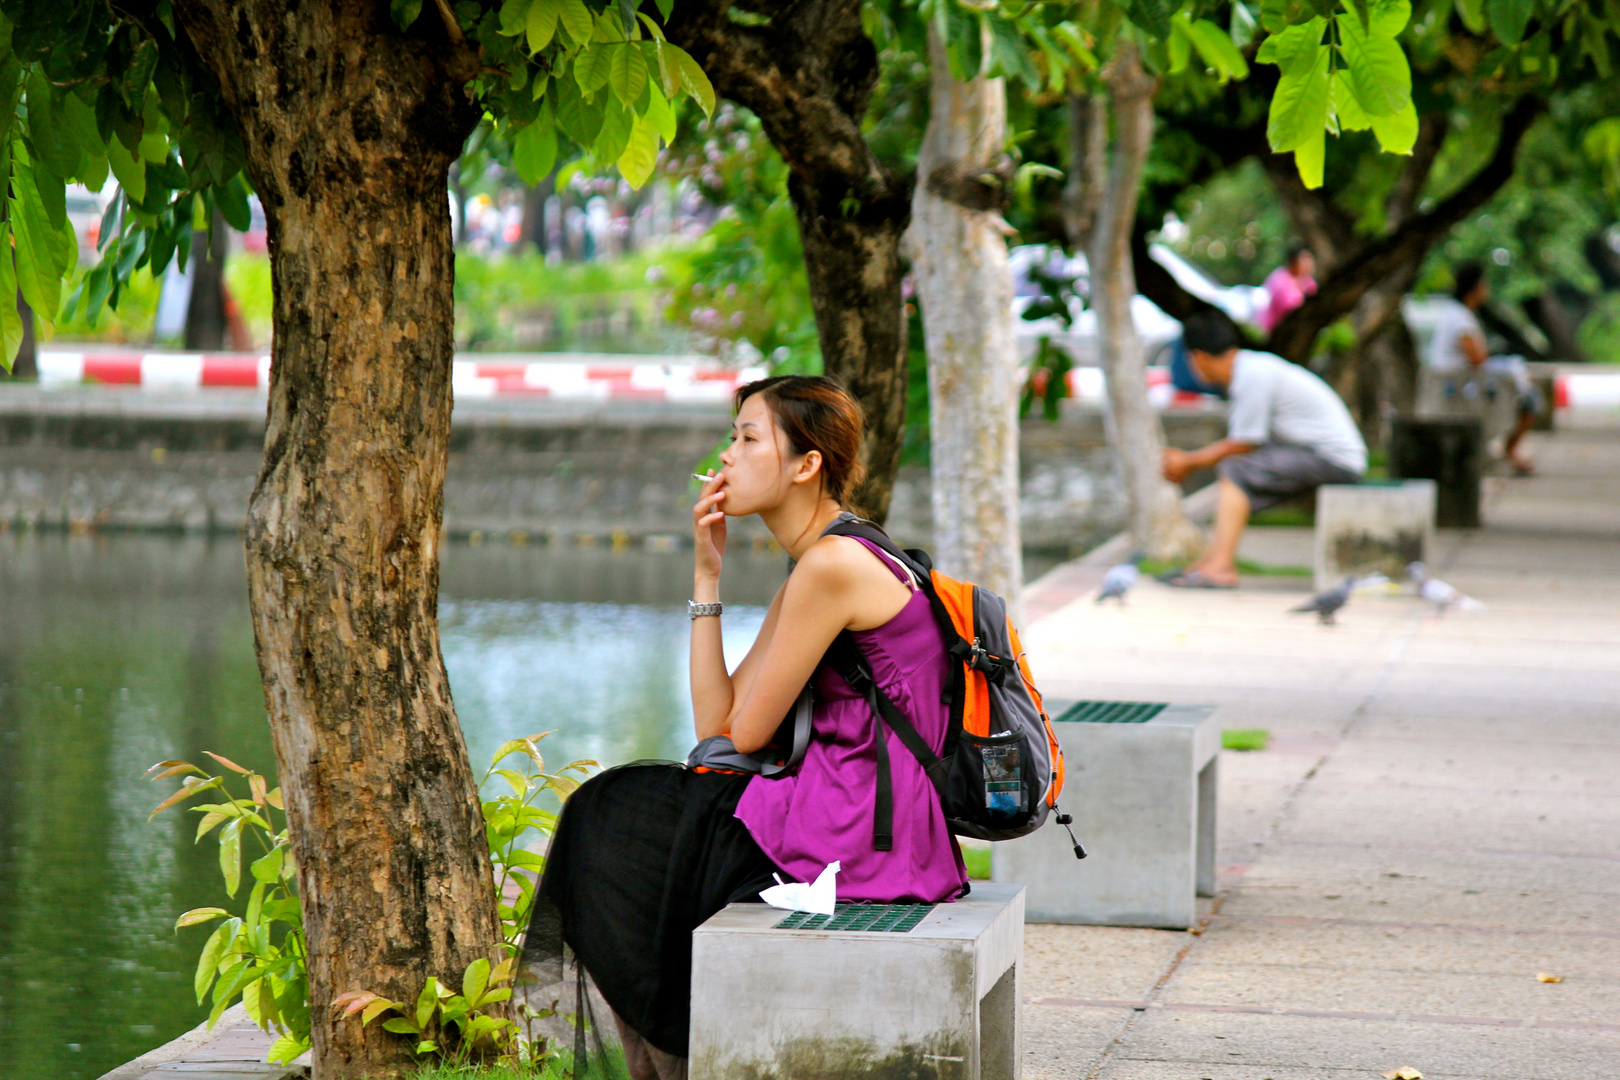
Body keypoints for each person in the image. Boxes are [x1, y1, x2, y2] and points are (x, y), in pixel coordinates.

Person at [522, 375, 967, 1080]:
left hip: (867, 836)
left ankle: (667, 1061)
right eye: (733, 437)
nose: (726, 456)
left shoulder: (832, 565)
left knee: (609, 818)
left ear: (806, 464)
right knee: (626, 817)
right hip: (852, 812)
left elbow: (744, 736)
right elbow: (718, 727)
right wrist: (708, 577)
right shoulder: (824, 559)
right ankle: (666, 1058)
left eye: (747, 438)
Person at [1160, 310, 1367, 588]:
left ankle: (1220, 567)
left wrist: (1188, 461)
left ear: (1198, 357)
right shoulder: (1252, 368)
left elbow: (1244, 443)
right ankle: (1210, 562)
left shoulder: (1251, 375)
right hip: (1322, 455)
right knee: (1237, 470)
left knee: (1236, 470)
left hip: (1334, 459)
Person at [1427, 261, 1538, 474]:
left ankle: (1509, 452)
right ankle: (1509, 452)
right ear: (1476, 287)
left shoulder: (1456, 313)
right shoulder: (1460, 319)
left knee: (1526, 394)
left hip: (1458, 387)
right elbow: (1478, 359)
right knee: (1529, 400)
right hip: (1459, 390)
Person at [1260, 242, 1317, 335]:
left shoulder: (1308, 282)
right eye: (1304, 259)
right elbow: (1290, 309)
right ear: (1293, 261)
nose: (1309, 263)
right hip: (1274, 333)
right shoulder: (1279, 279)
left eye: (1310, 258)